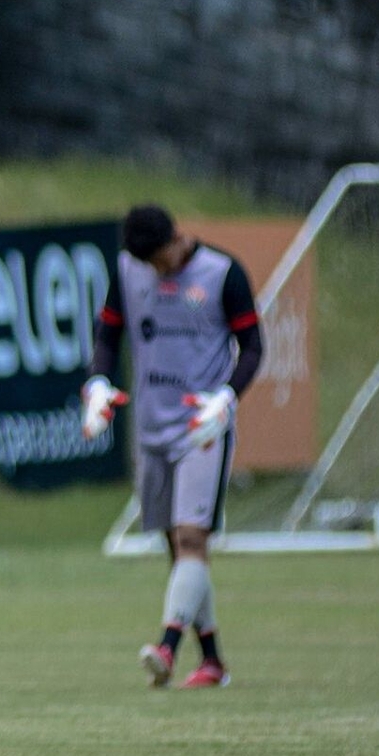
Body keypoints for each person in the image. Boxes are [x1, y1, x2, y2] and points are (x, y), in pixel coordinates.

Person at [83, 205, 263, 689]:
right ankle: (213, 662)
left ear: (176, 238)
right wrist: (98, 382)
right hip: (151, 429)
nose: (156, 271)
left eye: (159, 259)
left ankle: (166, 647)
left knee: (191, 539)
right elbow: (108, 334)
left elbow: (253, 347)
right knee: (175, 546)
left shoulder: (222, 274)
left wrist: (226, 397)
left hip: (201, 430)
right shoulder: (129, 271)